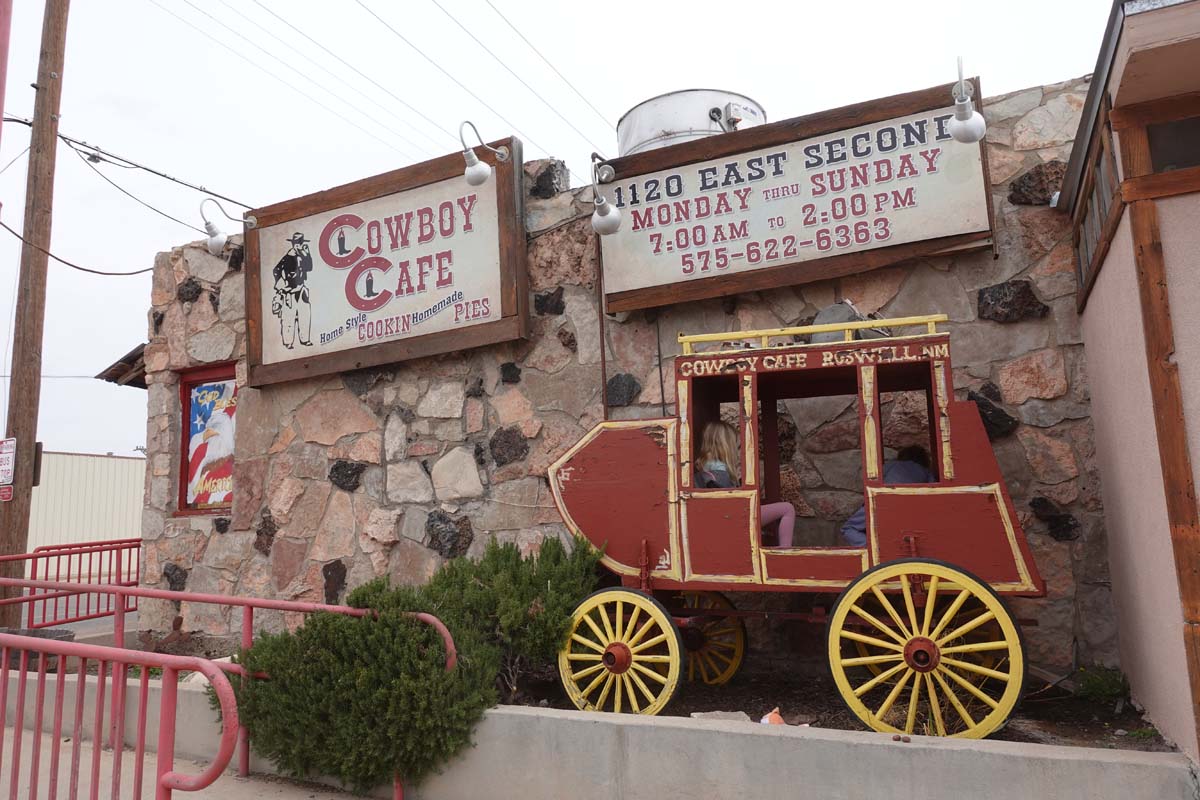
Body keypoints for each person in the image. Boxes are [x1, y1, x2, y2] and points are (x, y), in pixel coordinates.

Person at [695, 421, 798, 548]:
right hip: (737, 518)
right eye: (737, 447)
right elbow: (732, 502)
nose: (738, 452)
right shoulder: (720, 472)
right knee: (787, 508)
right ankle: (785, 548)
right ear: (726, 447)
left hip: (724, 520)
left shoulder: (705, 467)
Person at [840, 445, 935, 547]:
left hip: (883, 501)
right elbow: (933, 490)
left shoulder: (891, 465)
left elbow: (874, 481)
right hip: (913, 509)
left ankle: (873, 547)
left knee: (849, 528)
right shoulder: (926, 472)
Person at [271, 232, 314, 349]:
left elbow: (309, 267)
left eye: (299, 243)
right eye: (296, 243)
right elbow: (276, 270)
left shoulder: (303, 255)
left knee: (305, 315)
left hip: (301, 289)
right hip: (289, 291)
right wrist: (280, 284)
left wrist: (307, 254)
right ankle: (288, 342)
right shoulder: (288, 257)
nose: (298, 245)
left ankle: (305, 339)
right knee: (288, 317)